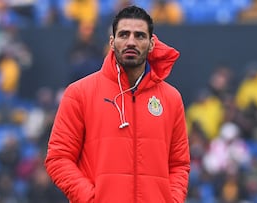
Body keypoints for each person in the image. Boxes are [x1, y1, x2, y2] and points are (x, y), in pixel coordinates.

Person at [45, 5, 190, 203]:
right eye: (123, 35)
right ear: (112, 42)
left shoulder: (171, 98)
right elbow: (58, 158)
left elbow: (179, 165)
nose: (131, 41)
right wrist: (91, 198)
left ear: (151, 44)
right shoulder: (79, 93)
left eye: (139, 35)